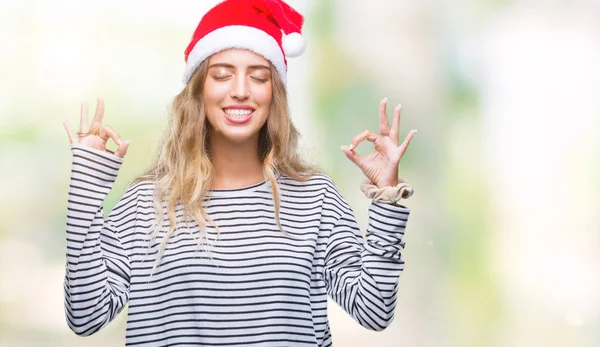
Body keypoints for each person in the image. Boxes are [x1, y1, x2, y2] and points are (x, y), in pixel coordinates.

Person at [61, 0, 417, 346]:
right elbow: (85, 317)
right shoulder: (145, 202)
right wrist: (86, 188)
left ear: (273, 93)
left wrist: (387, 198)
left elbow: (373, 311)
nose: (241, 91)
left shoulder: (316, 197)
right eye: (222, 75)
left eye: (259, 77)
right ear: (199, 89)